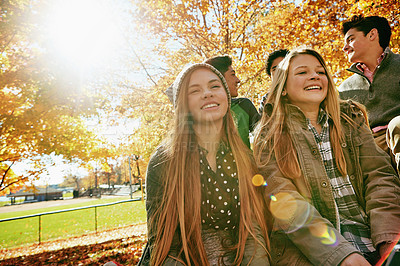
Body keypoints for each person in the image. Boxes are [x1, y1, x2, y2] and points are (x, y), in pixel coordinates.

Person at [253, 47, 400, 265]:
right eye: (302, 72)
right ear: (282, 88)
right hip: (314, 252)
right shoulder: (269, 136)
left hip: (373, 237)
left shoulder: (351, 119)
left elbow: (379, 178)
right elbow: (287, 204)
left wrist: (388, 237)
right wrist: (342, 255)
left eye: (320, 72)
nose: (314, 76)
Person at [142, 63, 270, 265]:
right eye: (195, 90)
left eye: (215, 86)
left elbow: (253, 230)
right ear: (182, 105)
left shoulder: (243, 157)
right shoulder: (165, 160)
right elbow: (165, 245)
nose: (207, 93)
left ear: (227, 97)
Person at [339, 15, 400, 173]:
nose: (345, 48)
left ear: (372, 35)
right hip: (369, 150)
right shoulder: (345, 89)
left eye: (350, 39)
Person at [205, 56, 260, 148]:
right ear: (219, 79)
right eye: (233, 74)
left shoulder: (244, 105)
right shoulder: (200, 111)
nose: (238, 80)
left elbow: (265, 138)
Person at [259, 49, 290, 113]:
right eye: (275, 69)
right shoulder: (267, 100)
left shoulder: (304, 92)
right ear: (270, 76)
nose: (280, 72)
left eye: (285, 67)